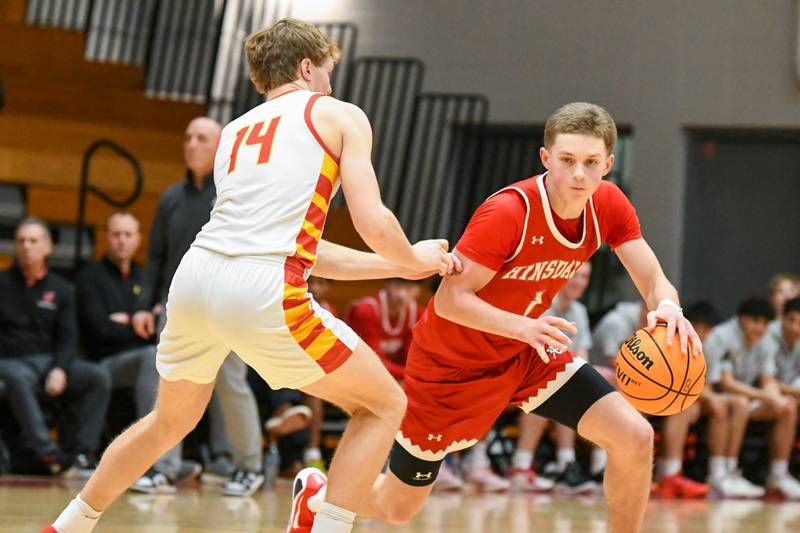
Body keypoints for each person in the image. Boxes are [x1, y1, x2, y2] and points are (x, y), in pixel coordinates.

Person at [43, 18, 455, 533]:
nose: (331, 82)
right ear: (307, 67)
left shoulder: (236, 131)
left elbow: (305, 248)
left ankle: (66, 526)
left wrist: (399, 264)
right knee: (383, 404)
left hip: (195, 281)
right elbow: (372, 222)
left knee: (167, 421)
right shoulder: (339, 114)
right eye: (327, 70)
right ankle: (320, 523)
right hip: (261, 287)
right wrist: (413, 259)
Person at [294, 101, 702, 533]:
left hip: (525, 353)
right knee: (397, 508)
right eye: (567, 161)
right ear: (546, 158)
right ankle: (318, 497)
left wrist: (668, 308)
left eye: (591, 163)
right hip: (450, 365)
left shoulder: (608, 205)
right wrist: (524, 326)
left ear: (608, 164)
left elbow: (653, 276)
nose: (579, 174)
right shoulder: (510, 212)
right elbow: (450, 300)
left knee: (635, 438)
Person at [126, 115, 264, 497]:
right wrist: (145, 305)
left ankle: (248, 468)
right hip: (179, 306)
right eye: (188, 137)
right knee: (168, 384)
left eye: (201, 138)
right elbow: (155, 257)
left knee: (232, 384)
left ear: (220, 146)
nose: (191, 144)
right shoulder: (171, 197)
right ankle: (165, 470)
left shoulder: (237, 192)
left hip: (226, 302)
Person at [75, 212, 201, 492]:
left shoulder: (146, 277)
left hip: (143, 359)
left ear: (138, 239)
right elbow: (99, 329)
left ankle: (168, 458)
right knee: (151, 359)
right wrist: (138, 323)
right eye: (116, 234)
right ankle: (159, 461)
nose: (121, 241)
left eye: (128, 235)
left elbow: (157, 322)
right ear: (106, 237)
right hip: (101, 366)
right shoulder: (89, 277)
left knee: (185, 364)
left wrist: (127, 320)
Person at [0, 218, 110, 476]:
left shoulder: (62, 289)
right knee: (17, 377)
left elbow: (68, 337)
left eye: (33, 241)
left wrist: (60, 368)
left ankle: (84, 454)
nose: (27, 246)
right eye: (21, 241)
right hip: (10, 362)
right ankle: (50, 452)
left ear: (48, 247)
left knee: (97, 377)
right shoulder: (2, 283)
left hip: (48, 361)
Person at [705, 297, 800, 499]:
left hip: (745, 399)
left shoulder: (765, 341)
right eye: (756, 321)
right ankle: (724, 473)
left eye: (765, 323)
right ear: (742, 319)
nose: (761, 327)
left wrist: (776, 398)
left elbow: (768, 380)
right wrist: (765, 395)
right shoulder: (722, 336)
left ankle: (778, 474)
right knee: (739, 403)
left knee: (787, 408)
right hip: (715, 395)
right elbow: (726, 383)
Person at [511, 262, 593, 494]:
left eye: (585, 277)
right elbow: (539, 354)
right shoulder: (543, 304)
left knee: (591, 381)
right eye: (576, 276)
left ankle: (576, 465)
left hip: (556, 373)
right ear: (564, 276)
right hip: (523, 373)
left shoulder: (580, 312)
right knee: (551, 387)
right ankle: (521, 466)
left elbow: (582, 357)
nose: (580, 282)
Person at [347, 278, 421, 381]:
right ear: (386, 283)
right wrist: (413, 376)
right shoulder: (366, 311)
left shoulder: (417, 313)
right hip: (359, 375)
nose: (401, 294)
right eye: (397, 285)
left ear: (419, 290)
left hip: (393, 377)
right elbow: (374, 362)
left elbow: (412, 359)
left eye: (409, 288)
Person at [764, 297, 800, 399]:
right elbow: (763, 381)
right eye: (791, 320)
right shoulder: (766, 335)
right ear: (782, 317)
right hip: (763, 392)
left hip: (790, 391)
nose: (795, 328)